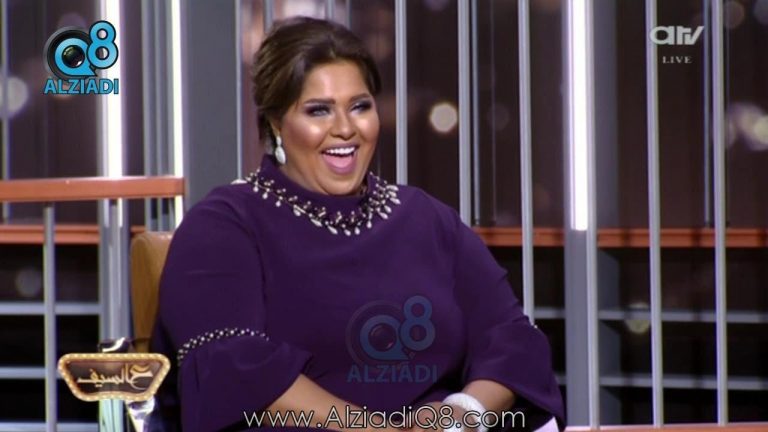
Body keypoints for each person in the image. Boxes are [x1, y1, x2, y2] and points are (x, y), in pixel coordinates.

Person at [149, 16, 564, 432]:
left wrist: (461, 413)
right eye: (319, 110)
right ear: (276, 123)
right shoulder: (223, 225)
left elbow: (511, 340)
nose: (345, 129)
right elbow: (233, 366)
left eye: (360, 106)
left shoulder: (425, 218)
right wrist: (378, 430)